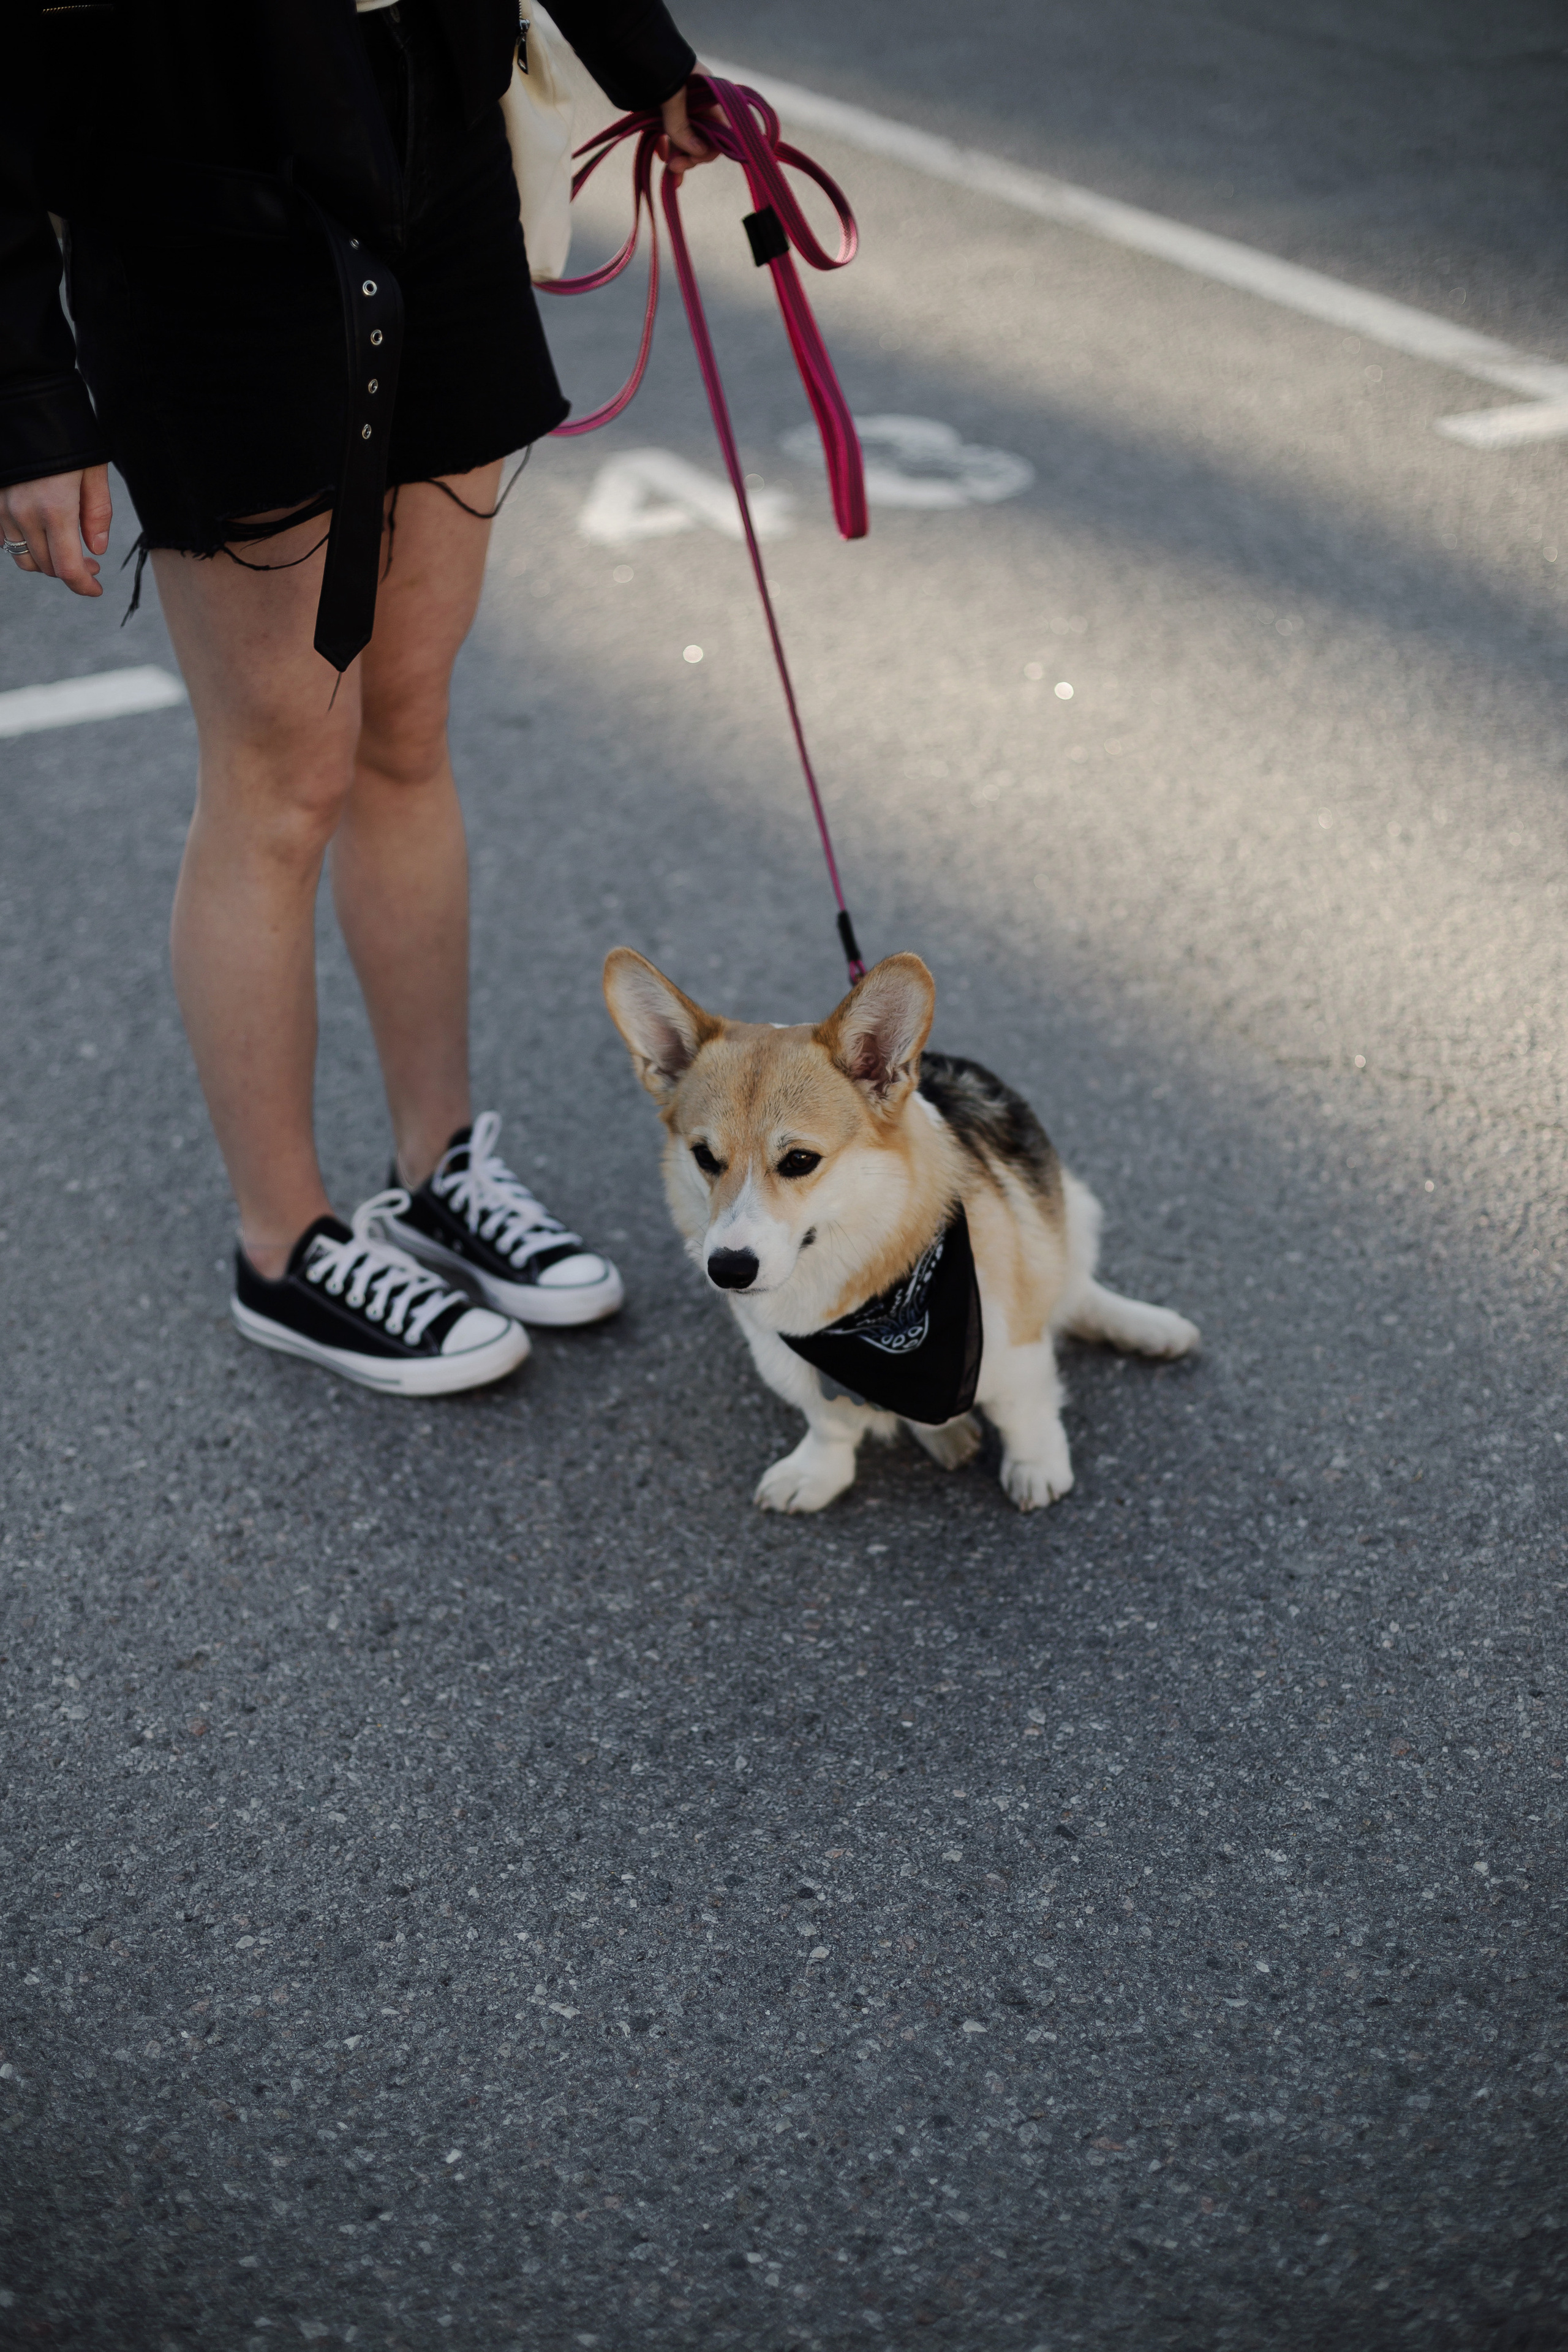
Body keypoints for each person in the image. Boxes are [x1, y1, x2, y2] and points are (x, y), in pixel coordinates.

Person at [1, 0, 713, 1397]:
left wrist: (651, 64)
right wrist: (24, 392)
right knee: (281, 778)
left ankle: (439, 1169)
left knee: (405, 725)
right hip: (200, 187)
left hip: (435, 136)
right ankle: (283, 1248)